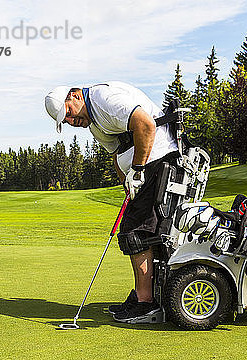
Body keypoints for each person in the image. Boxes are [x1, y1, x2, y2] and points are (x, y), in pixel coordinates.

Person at [45, 81, 179, 323]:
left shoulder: (105, 100)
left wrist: (137, 170)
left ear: (75, 96)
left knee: (136, 231)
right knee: (135, 229)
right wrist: (127, 185)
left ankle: (145, 303)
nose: (72, 122)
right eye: (66, 121)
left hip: (158, 159)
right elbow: (118, 156)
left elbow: (146, 125)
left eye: (70, 114)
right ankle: (145, 295)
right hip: (143, 170)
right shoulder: (95, 125)